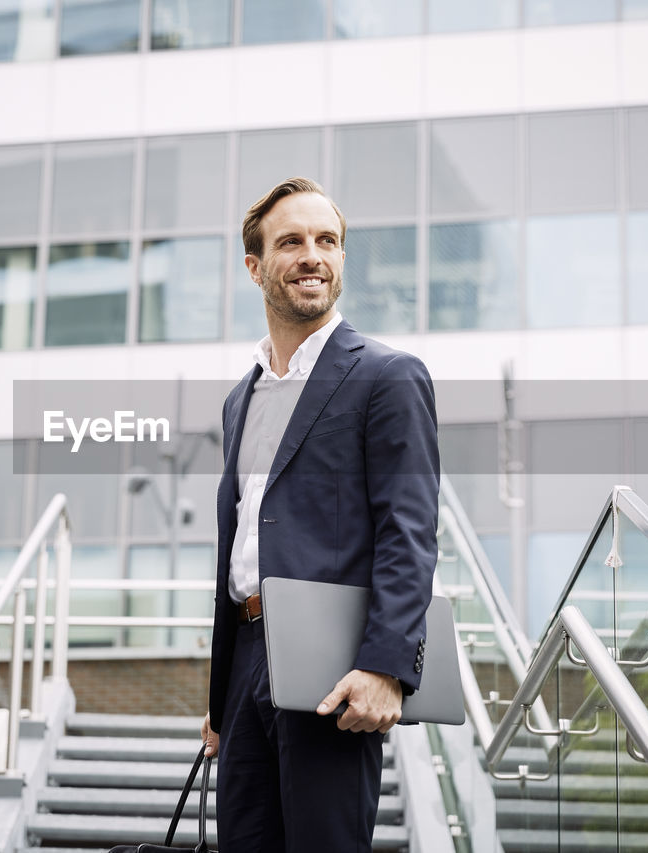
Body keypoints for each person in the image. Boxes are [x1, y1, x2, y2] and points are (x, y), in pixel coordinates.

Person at [200, 177, 440, 851]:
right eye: (292, 242)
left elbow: (410, 529)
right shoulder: (239, 399)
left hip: (333, 663)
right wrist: (222, 698)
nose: (313, 255)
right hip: (247, 659)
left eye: (326, 241)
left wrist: (387, 665)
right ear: (255, 266)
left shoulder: (388, 376)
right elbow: (242, 542)